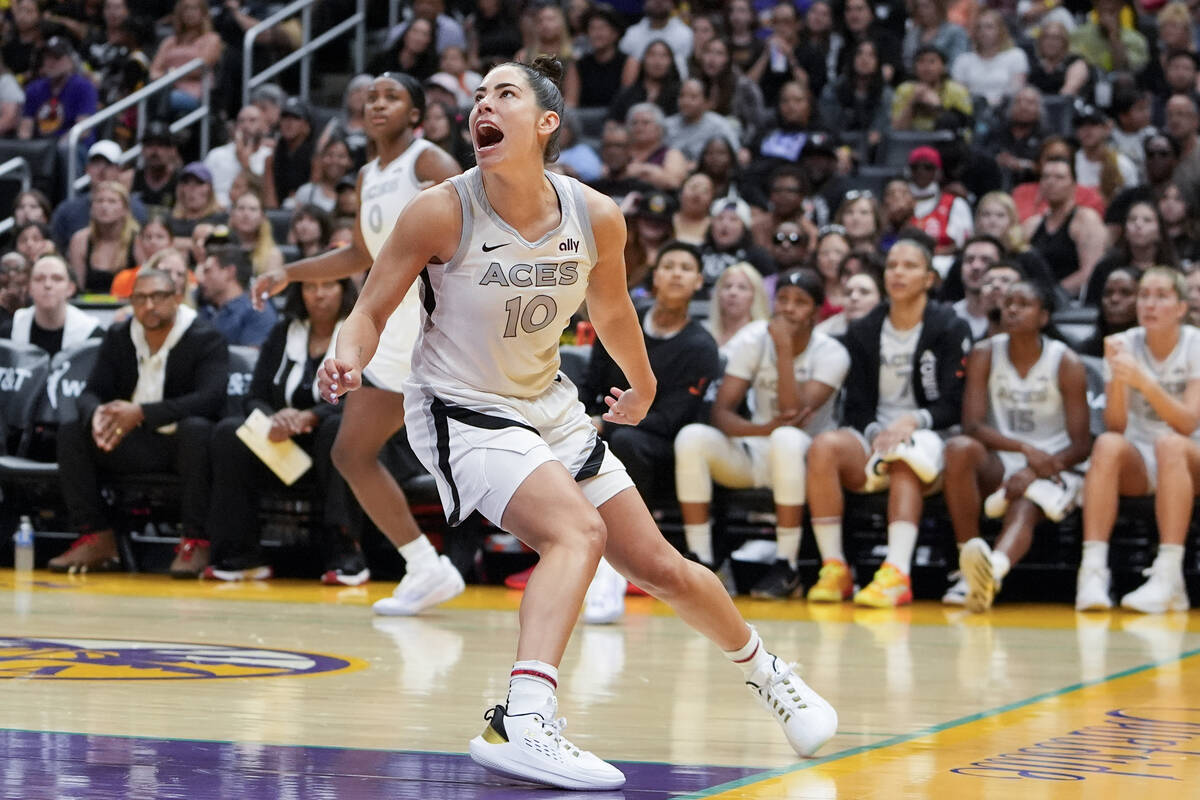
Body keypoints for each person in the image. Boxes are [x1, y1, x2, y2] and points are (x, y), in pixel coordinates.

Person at [318, 56, 837, 790]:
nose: (481, 107)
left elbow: (613, 310)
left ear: (547, 122)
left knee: (660, 569)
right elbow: (369, 308)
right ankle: (522, 719)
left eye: (504, 94)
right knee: (577, 533)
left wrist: (646, 381)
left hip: (547, 405)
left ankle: (771, 675)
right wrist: (346, 354)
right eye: (477, 98)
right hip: (461, 405)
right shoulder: (440, 209)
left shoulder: (594, 214)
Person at [252, 72, 466, 616]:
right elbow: (361, 254)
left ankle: (600, 556)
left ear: (416, 115)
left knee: (492, 446)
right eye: (371, 96)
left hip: (437, 321)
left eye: (392, 97)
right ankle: (425, 567)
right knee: (349, 451)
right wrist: (289, 274)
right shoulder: (371, 174)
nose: (378, 104)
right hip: (392, 325)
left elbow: (474, 229)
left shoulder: (429, 161)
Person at [805, 238, 972, 607]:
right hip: (877, 434)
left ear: (929, 278)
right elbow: (858, 406)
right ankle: (835, 568)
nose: (897, 272)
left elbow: (954, 403)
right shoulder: (865, 329)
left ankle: (897, 572)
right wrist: (876, 432)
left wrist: (912, 420)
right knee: (823, 448)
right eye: (892, 265)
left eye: (909, 266)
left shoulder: (949, 326)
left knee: (903, 458)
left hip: (931, 433)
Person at [675, 270, 850, 597]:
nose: (787, 308)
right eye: (782, 299)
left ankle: (787, 565)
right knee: (692, 437)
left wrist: (783, 350)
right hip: (757, 450)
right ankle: (704, 561)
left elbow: (794, 413)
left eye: (799, 302)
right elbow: (721, 412)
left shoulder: (831, 353)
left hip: (809, 461)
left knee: (786, 439)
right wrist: (761, 429)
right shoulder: (754, 339)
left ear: (815, 311)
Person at [47, 268, 226, 573]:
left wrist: (142, 412)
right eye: (140, 298)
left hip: (181, 446)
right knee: (71, 431)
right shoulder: (119, 335)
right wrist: (99, 416)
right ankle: (97, 536)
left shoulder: (205, 338)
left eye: (158, 296)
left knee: (198, 430)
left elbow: (210, 399)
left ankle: (196, 542)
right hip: (131, 441)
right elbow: (91, 392)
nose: (149, 305)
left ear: (177, 298)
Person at [942, 280, 1091, 612]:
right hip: (1003, 457)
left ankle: (991, 571)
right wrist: (1025, 452)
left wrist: (1037, 468)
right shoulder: (985, 353)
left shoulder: (1065, 362)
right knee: (958, 449)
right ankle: (969, 565)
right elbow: (973, 426)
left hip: (1054, 462)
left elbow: (1081, 445)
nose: (1012, 309)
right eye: (1008, 303)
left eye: (1023, 303)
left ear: (1043, 316)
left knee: (1025, 504)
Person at [203, 278, 364, 582]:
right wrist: (275, 420)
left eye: (328, 286)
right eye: (310, 287)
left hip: (331, 445)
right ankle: (241, 554)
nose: (318, 293)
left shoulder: (359, 334)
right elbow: (255, 397)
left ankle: (345, 553)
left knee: (336, 427)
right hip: (282, 445)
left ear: (343, 290)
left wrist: (309, 416)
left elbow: (363, 401)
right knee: (229, 432)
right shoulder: (281, 333)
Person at [1077, 268, 1197, 614]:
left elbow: (1187, 423)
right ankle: (1094, 573)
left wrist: (1144, 382)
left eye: (1161, 296)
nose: (1150, 304)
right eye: (1144, 295)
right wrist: (1119, 379)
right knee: (1106, 446)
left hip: (1190, 456)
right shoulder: (1123, 344)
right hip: (1142, 459)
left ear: (1180, 307)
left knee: (1170, 443)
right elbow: (1115, 424)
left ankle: (1169, 577)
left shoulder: (1195, 343)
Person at [580, 241, 720, 507]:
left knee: (626, 440)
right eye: (668, 266)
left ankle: (630, 534)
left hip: (664, 442)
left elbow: (672, 419)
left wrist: (604, 423)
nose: (676, 273)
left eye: (686, 268)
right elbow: (591, 380)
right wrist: (579, 417)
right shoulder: (623, 321)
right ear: (656, 276)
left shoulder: (702, 347)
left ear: (699, 281)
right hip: (605, 423)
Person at [1023, 157, 1106, 297]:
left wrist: (1052, 296)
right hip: (1034, 300)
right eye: (1046, 177)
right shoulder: (1031, 225)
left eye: (1059, 177)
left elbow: (1090, 273)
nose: (1051, 182)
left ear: (1074, 184)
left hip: (1070, 304)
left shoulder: (1086, 219)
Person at [0, 254, 101, 354]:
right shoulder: (9, 332)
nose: (47, 285)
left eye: (57, 279)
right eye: (39, 279)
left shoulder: (92, 335)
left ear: (70, 288)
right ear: (29, 288)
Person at [67, 181, 141, 295]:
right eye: (99, 201)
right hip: (89, 307)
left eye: (112, 201)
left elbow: (146, 282)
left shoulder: (138, 240)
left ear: (125, 209)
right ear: (91, 208)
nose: (104, 206)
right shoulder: (80, 240)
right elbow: (77, 289)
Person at [197, 242, 277, 346]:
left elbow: (251, 358)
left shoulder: (257, 310)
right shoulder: (206, 308)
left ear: (230, 272)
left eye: (208, 271)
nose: (201, 279)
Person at [704, 261, 769, 351]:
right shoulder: (705, 333)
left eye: (742, 287)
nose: (733, 292)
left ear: (755, 296)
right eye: (727, 286)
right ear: (718, 294)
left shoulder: (764, 333)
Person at [1076, 267, 1137, 357]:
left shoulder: (1157, 348)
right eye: (1108, 293)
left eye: (1125, 293)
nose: (1114, 299)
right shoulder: (1085, 351)